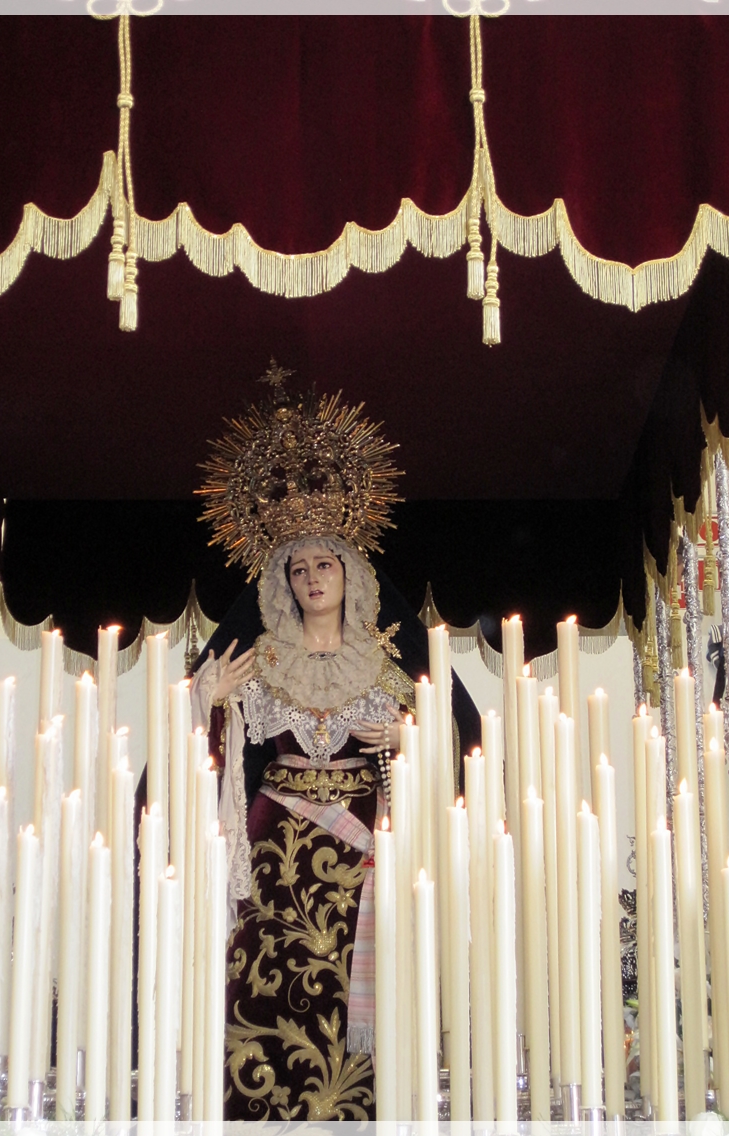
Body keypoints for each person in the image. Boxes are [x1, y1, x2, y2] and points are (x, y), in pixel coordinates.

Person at [189, 364, 480, 1121]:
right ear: (281, 581)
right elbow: (189, 733)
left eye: (325, 564)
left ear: (351, 573)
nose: (312, 576)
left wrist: (410, 739)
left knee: (368, 1003)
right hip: (271, 853)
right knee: (260, 989)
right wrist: (208, 703)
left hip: (361, 860)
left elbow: (457, 735)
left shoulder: (388, 664)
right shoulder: (262, 660)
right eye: (297, 567)